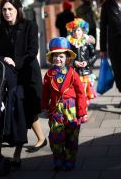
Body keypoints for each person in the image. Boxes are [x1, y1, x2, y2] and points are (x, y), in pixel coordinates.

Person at [0, 0, 46, 166]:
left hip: (28, 74)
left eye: (10, 9)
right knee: (19, 108)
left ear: (18, 10)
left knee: (27, 108)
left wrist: (16, 61)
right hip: (10, 76)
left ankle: (32, 143)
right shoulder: (0, 28)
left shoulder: (30, 26)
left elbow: (32, 51)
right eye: (4, 10)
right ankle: (28, 146)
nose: (6, 12)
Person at [41, 37, 87, 171]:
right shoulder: (48, 75)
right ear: (51, 58)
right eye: (55, 56)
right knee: (56, 136)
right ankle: (58, 159)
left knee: (71, 136)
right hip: (55, 109)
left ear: (67, 58)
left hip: (71, 109)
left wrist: (82, 111)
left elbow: (80, 93)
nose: (58, 59)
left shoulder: (73, 73)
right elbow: (45, 93)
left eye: (61, 56)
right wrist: (44, 106)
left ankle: (70, 158)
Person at [66, 18, 97, 122]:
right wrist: (74, 63)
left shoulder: (87, 43)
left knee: (83, 94)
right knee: (75, 93)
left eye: (78, 30)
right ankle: (76, 112)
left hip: (85, 74)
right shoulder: (70, 44)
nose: (76, 32)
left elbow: (94, 56)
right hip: (73, 73)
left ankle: (83, 113)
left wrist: (87, 62)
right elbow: (67, 58)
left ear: (83, 31)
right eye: (74, 30)